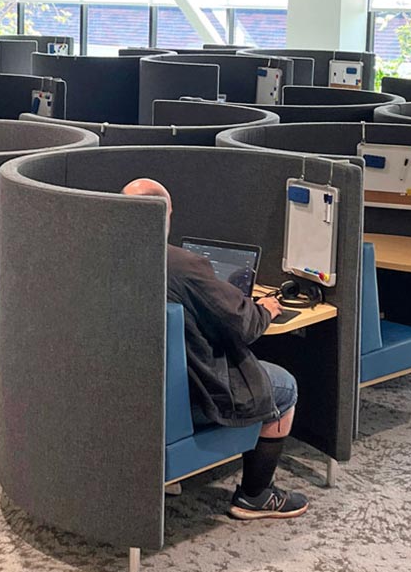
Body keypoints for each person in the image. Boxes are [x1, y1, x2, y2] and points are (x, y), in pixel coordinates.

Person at [122, 178, 308, 520]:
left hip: (128, 394)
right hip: (189, 397)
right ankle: (256, 495)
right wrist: (265, 307)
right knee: (284, 386)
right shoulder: (184, 265)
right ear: (167, 214)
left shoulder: (108, 259)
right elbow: (244, 325)